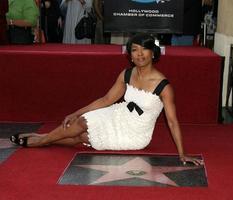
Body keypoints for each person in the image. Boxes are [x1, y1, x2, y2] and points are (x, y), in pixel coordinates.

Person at [10, 33, 203, 166]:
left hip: (135, 134)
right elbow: (106, 99)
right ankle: (42, 140)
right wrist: (76, 112)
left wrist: (182, 153)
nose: (140, 54)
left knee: (84, 137)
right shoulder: (126, 74)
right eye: (135, 50)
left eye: (144, 49)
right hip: (118, 114)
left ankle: (41, 139)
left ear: (153, 53)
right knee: (83, 121)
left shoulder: (163, 86)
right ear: (130, 55)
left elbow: (172, 121)